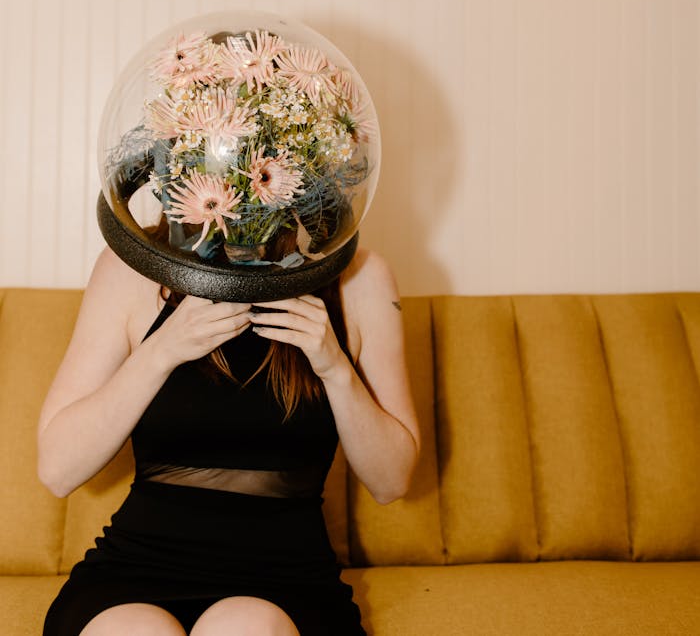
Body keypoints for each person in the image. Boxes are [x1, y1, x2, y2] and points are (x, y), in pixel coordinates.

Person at [38, 240, 420, 636]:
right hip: (137, 566)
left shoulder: (360, 273)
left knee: (245, 626)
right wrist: (162, 351)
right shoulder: (133, 264)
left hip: (290, 578)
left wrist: (335, 368)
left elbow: (391, 482)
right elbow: (57, 470)